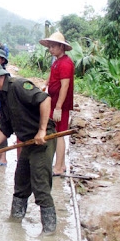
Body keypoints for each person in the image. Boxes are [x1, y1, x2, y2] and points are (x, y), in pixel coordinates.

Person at [0, 62, 57, 235]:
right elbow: (6, 127)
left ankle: (49, 230)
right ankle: (15, 219)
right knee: (21, 180)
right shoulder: (2, 96)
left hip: (42, 141)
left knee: (40, 183)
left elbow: (45, 100)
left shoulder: (19, 86)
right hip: (27, 141)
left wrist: (42, 130)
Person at [39, 32, 74, 176]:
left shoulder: (66, 63)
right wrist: (45, 84)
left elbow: (65, 86)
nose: (51, 49)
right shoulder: (57, 61)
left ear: (61, 46)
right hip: (53, 100)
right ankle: (62, 164)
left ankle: (58, 167)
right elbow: (52, 75)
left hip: (60, 105)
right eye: (50, 46)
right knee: (57, 133)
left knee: (59, 134)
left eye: (53, 46)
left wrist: (59, 106)